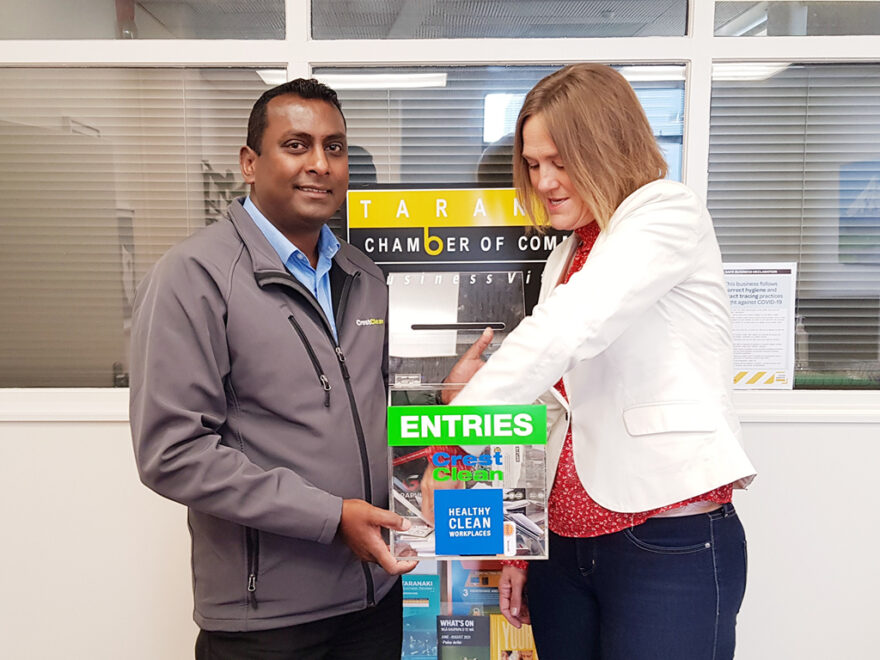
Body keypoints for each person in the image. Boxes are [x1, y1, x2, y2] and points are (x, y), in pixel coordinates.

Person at [445, 64, 757, 660]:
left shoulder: (667, 212)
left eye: (560, 161)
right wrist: (518, 544)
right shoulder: (564, 254)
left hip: (663, 533)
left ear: (606, 145)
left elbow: (572, 327)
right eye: (534, 164)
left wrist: (460, 418)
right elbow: (548, 405)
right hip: (562, 542)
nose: (544, 181)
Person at [129, 78, 416, 660]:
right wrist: (331, 517)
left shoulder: (364, 277)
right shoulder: (195, 277)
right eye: (297, 144)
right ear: (250, 163)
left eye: (334, 147)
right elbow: (173, 452)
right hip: (264, 623)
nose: (319, 164)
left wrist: (444, 386)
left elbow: (386, 418)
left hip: (375, 600)